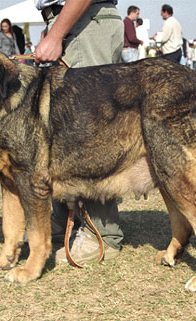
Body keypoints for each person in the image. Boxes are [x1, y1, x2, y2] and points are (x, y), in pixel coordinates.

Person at [34, 0, 124, 265]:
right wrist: (53, 27)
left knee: (90, 136)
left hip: (86, 20)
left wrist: (56, 33)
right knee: (63, 133)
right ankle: (66, 222)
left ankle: (103, 235)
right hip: (75, 20)